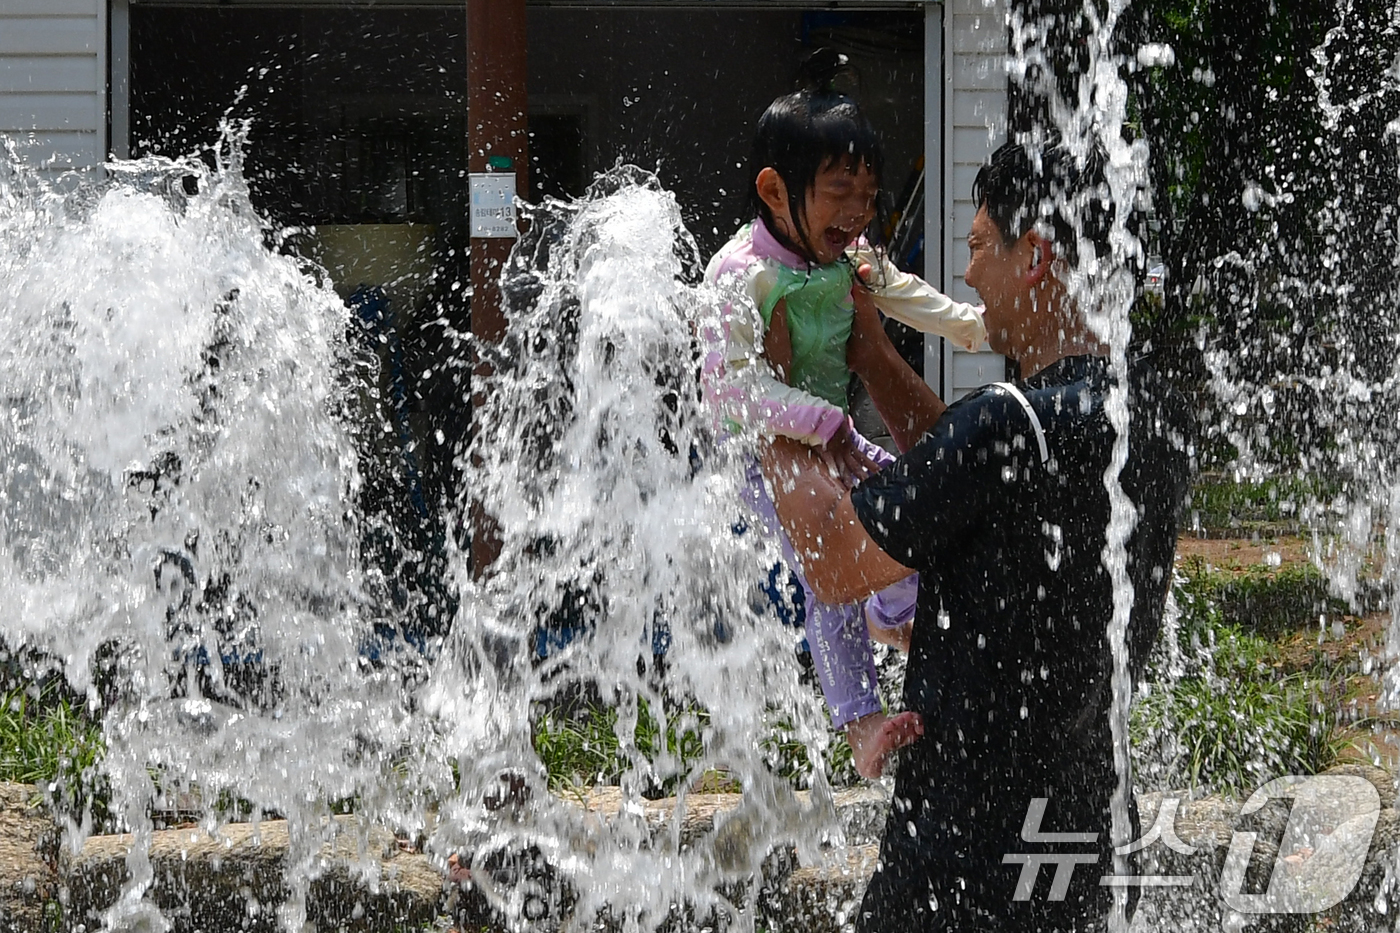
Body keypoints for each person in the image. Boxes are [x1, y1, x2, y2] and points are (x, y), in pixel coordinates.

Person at [760, 138, 1192, 932]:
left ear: (1034, 256)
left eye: (979, 244)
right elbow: (970, 488)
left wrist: (767, 395)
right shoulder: (1150, 429)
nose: (967, 274)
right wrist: (874, 353)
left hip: (959, 855)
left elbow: (830, 561)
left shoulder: (1003, 427)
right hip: (1077, 836)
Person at [704, 50, 986, 779]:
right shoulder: (742, 275)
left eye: (866, 193)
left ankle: (896, 616)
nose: (858, 213)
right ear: (773, 190)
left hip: (831, 434)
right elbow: (726, 389)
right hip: (764, 453)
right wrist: (818, 421)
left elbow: (903, 292)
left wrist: (973, 328)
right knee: (830, 569)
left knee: (911, 507)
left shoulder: (844, 255)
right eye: (839, 193)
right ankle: (860, 723)